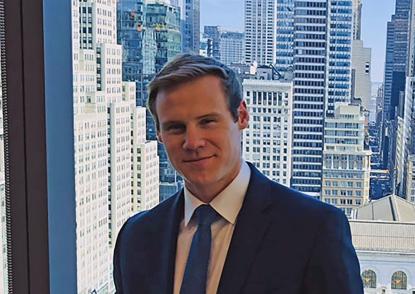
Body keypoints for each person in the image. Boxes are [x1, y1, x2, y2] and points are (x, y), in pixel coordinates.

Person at [113, 54, 363, 294]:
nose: (193, 142)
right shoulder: (136, 237)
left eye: (207, 121)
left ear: (241, 116)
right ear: (159, 134)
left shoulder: (314, 230)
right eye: (176, 128)